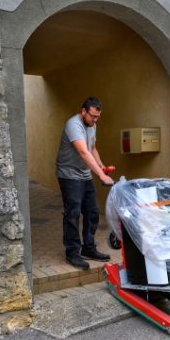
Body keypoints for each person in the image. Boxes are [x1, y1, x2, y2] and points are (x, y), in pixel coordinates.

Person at [56, 97, 114, 270]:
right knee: (72, 213)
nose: (95, 120)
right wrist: (101, 176)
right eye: (92, 116)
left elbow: (92, 148)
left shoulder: (91, 125)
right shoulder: (73, 125)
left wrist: (101, 167)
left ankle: (88, 248)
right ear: (83, 111)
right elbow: (82, 151)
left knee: (92, 211)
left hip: (84, 174)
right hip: (69, 174)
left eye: (98, 117)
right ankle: (72, 252)